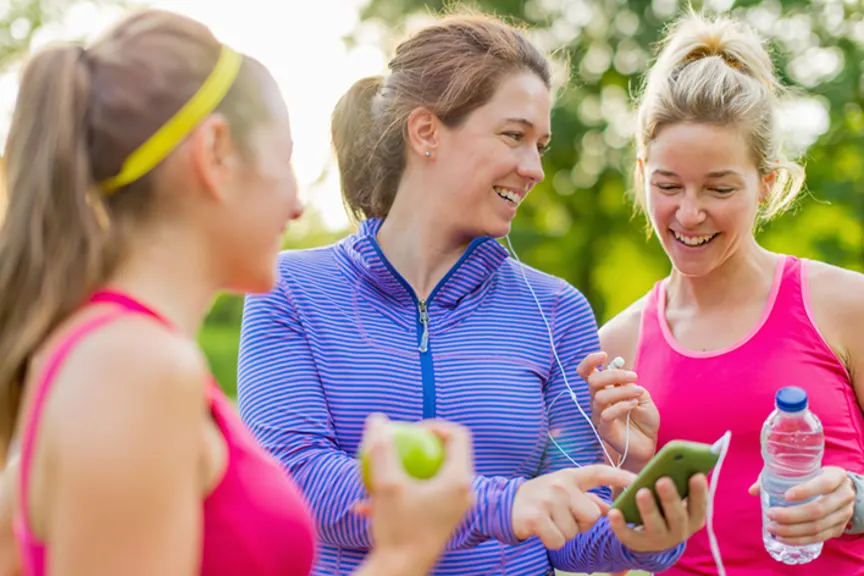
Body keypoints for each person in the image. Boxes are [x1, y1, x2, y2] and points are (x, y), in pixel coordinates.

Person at [0, 8, 477, 576]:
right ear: (216, 153)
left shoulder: (98, 353)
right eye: (286, 160)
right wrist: (406, 551)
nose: (298, 204)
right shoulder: (134, 368)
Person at [236, 11, 708, 576]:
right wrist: (503, 505)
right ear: (427, 132)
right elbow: (296, 480)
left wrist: (641, 525)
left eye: (541, 145)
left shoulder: (555, 310)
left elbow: (570, 535)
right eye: (514, 136)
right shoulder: (293, 289)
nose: (534, 169)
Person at [590, 10, 864, 575]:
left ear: (766, 184)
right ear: (642, 174)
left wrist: (854, 502)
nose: (689, 214)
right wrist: (630, 468)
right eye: (667, 186)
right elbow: (605, 555)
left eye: (719, 188)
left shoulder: (843, 306)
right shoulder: (616, 343)